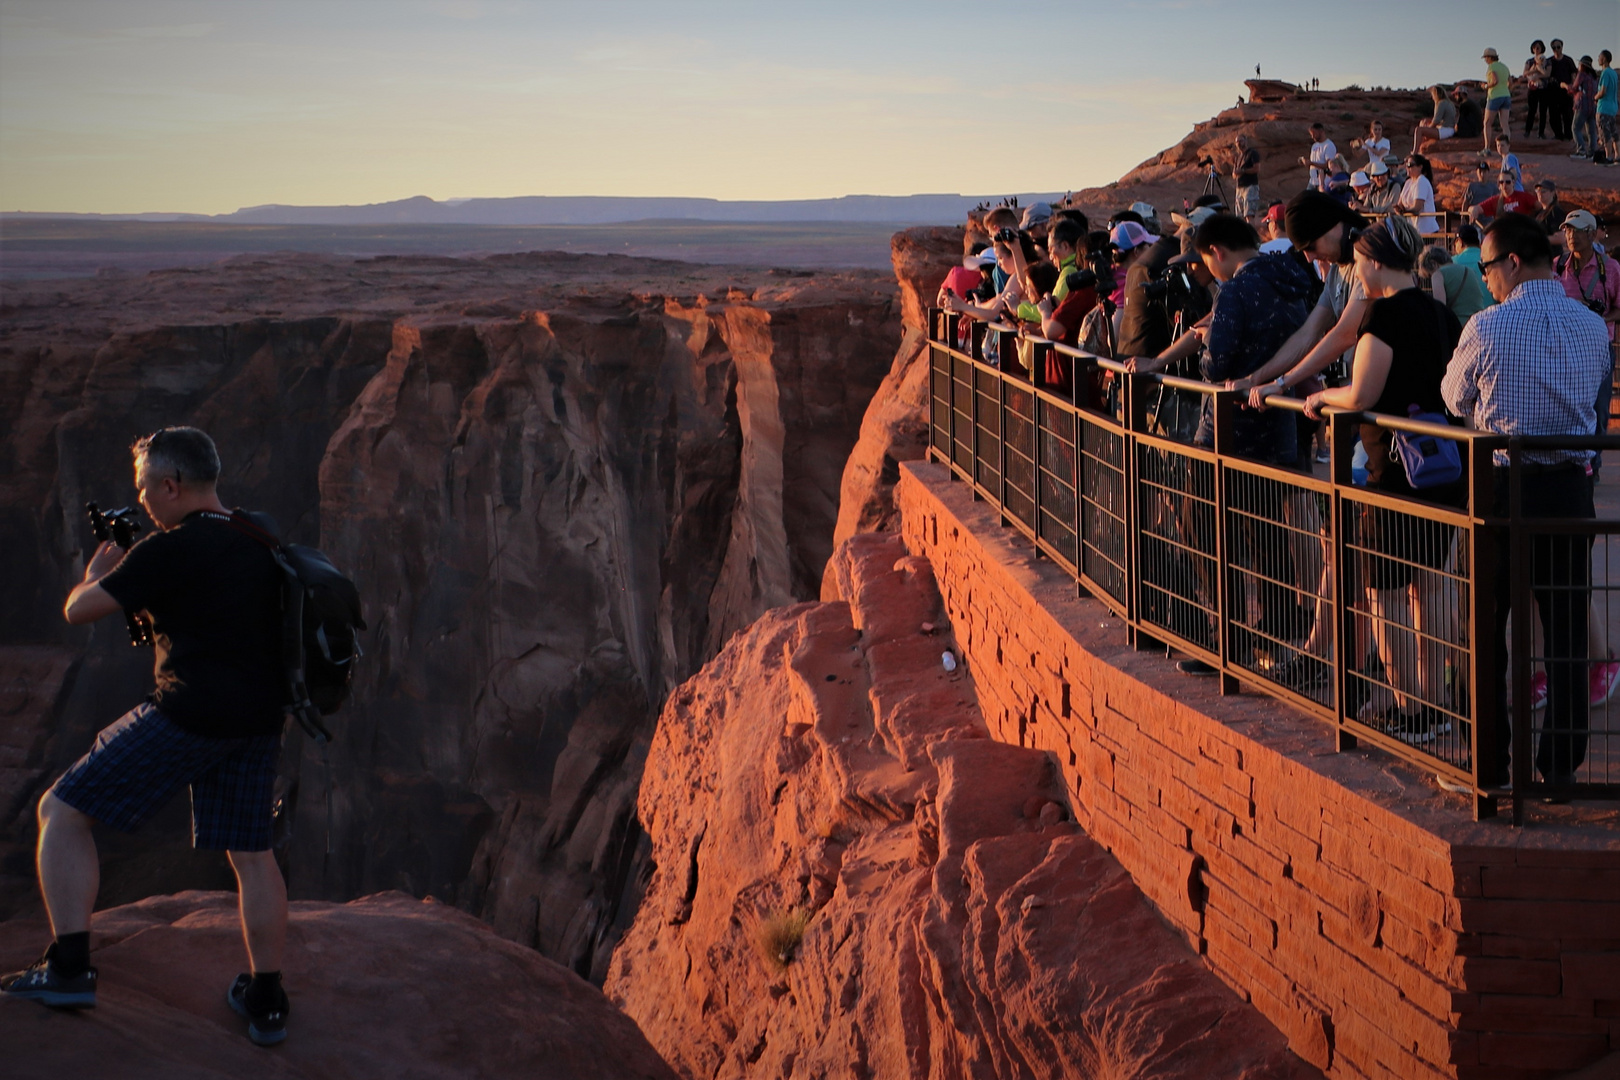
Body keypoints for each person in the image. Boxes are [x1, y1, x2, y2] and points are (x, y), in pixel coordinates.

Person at [0, 428, 295, 1045]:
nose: (143, 504)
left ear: (172, 484)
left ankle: (69, 968)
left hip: (189, 715)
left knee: (61, 809)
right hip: (260, 718)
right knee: (250, 854)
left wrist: (96, 571)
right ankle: (266, 999)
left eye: (146, 490)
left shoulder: (168, 551)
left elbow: (79, 611)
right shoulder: (259, 532)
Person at [1441, 213, 1612, 791]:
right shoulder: (1591, 327)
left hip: (1501, 491)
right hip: (1569, 491)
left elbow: (1452, 397)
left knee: (1483, 629)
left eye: (1487, 267)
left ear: (1512, 262)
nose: (1485, 278)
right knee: (1565, 632)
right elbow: (1598, 398)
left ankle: (1490, 766)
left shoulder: (1486, 327)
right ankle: (1559, 769)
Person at [1303, 217, 1466, 741]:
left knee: (1388, 596)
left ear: (1373, 261)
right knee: (1432, 589)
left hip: (1392, 472)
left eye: (1358, 266)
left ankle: (1408, 708)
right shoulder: (1442, 315)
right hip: (1441, 468)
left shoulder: (1382, 314)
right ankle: (1436, 704)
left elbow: (1362, 395)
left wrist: (1322, 397)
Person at [1114, 220, 1179, 360]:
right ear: (1136, 251)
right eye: (1148, 245)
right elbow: (1114, 336)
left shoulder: (1113, 277)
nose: (1152, 249)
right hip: (1135, 363)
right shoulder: (1131, 280)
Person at [1557, 210, 1620, 343]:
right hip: (1564, 343)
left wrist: (1601, 319)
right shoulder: (1556, 266)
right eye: (1568, 230)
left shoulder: (1610, 268)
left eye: (1578, 230)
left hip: (1598, 343)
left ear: (1592, 234)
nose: (1572, 236)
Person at [1421, 246, 1490, 324]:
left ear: (1434, 264)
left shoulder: (1438, 274)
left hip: (1457, 326)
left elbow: (1440, 309)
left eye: (1429, 275)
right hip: (1479, 322)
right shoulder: (1469, 271)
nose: (1431, 278)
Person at [1470, 171, 1537, 225]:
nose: (1504, 185)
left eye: (1508, 182)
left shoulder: (1524, 196)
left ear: (1513, 183)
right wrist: (1474, 210)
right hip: (1503, 235)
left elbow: (1541, 207)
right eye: (1501, 182)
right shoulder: (1495, 200)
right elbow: (1475, 208)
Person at [1397, 154, 1439, 236]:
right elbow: (1400, 203)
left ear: (1420, 167)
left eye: (1410, 165)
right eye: (1406, 166)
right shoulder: (1408, 182)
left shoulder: (1422, 181)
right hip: (1413, 229)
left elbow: (1417, 207)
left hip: (1425, 230)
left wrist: (1404, 211)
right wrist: (1399, 209)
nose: (1407, 168)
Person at [1482, 47, 1514, 152]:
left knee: (1487, 123)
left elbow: (1495, 81)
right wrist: (1505, 90)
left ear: (1490, 57)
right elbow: (1511, 82)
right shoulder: (1504, 67)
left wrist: (1486, 86)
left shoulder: (1491, 67)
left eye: (1486, 57)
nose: (1485, 60)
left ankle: (1487, 148)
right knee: (1504, 124)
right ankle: (1507, 148)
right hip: (1506, 96)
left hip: (1494, 96)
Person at [1411, 85, 1458, 153]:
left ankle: (1414, 152)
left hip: (1445, 130)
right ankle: (1421, 150)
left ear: (1435, 94)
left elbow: (1436, 121)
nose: (1432, 97)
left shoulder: (1441, 103)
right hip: (1450, 129)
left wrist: (1428, 128)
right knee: (1425, 122)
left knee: (1418, 130)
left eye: (1432, 95)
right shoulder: (1450, 103)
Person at [1548, 39, 1578, 142]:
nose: (1556, 49)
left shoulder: (1568, 60)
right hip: (1553, 92)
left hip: (1566, 92)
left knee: (1568, 114)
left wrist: (1573, 85)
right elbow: (1547, 75)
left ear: (1562, 47)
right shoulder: (1549, 61)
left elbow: (1574, 73)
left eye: (1558, 47)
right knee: (1554, 115)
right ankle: (1558, 135)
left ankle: (1568, 136)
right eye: (1554, 47)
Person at [1522, 40, 1552, 140]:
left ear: (1542, 48)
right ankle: (1527, 131)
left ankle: (1541, 132)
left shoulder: (1547, 61)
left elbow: (1547, 74)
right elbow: (1525, 73)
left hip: (1544, 88)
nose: (1536, 49)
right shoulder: (1529, 61)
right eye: (1534, 48)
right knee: (1531, 110)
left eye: (1538, 47)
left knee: (1543, 111)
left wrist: (1535, 74)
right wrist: (1537, 69)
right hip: (1532, 88)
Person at [1571, 55, 1599, 161]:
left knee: (1575, 128)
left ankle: (1581, 150)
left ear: (1582, 65)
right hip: (1592, 106)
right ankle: (1592, 152)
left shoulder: (1581, 74)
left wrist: (1564, 85)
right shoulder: (1594, 77)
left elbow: (1573, 88)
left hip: (1582, 106)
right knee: (1591, 131)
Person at [1231, 134, 1262, 222]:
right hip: (1239, 188)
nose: (1239, 143)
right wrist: (1235, 173)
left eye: (1241, 141)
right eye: (1237, 142)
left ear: (1246, 141)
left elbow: (1257, 168)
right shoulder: (1238, 157)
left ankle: (1251, 235)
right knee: (1240, 216)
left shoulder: (1252, 153)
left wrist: (1243, 171)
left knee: (1249, 215)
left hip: (1250, 186)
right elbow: (1234, 174)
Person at [1300, 122, 1337, 192]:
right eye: (1311, 134)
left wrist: (1311, 163)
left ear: (1321, 131)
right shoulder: (1314, 146)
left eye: (1314, 134)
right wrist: (1307, 163)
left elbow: (1328, 165)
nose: (1312, 136)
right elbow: (1312, 164)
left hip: (1324, 182)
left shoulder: (1329, 145)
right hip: (1312, 181)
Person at [1597, 51, 1619, 168]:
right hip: (1613, 107)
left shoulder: (1605, 73)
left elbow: (1603, 91)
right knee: (1614, 133)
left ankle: (1608, 157)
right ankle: (1617, 156)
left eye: (1599, 57)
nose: (1598, 59)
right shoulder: (1614, 73)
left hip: (1604, 108)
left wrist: (1595, 97)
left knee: (1606, 134)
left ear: (1604, 59)